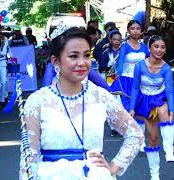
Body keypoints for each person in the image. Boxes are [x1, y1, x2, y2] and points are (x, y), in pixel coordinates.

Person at [19, 26, 144, 179]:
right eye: (73, 56)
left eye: (86, 55)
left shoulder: (100, 96)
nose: (82, 63)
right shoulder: (37, 101)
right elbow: (28, 158)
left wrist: (114, 166)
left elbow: (135, 134)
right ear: (55, 61)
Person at [129, 35, 174, 180]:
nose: (160, 50)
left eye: (163, 47)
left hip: (160, 97)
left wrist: (172, 110)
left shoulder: (166, 68)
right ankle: (154, 174)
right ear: (149, 48)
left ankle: (169, 150)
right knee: (152, 138)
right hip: (146, 100)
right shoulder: (140, 65)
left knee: (163, 110)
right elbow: (135, 88)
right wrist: (132, 108)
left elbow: (170, 90)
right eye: (156, 46)